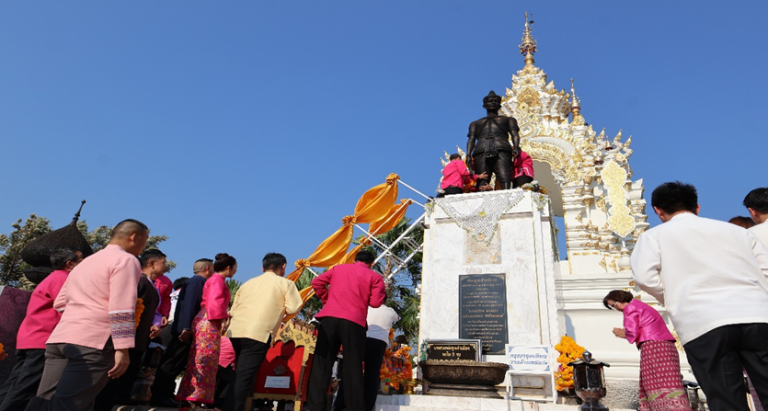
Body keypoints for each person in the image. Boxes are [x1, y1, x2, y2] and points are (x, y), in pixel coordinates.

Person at [631, 182, 768, 411]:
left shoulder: (653, 237)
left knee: (726, 399)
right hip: (758, 316)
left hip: (704, 322)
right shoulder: (738, 232)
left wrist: (679, 297)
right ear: (697, 206)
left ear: (657, 210)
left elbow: (645, 278)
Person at [25, 219, 148, 411]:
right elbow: (121, 306)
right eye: (145, 240)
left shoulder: (85, 262)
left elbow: (60, 302)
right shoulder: (126, 260)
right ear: (134, 237)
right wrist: (123, 349)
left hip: (61, 338)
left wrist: (81, 313)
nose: (144, 246)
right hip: (93, 342)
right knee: (70, 404)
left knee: (43, 401)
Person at [0, 249, 83, 411]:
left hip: (30, 337)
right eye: (81, 259)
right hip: (42, 339)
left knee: (15, 383)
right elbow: (67, 308)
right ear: (70, 264)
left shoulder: (53, 278)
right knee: (26, 387)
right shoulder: (64, 280)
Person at [307, 251, 386, 411]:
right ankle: (354, 407)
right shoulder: (374, 277)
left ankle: (316, 407)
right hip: (354, 322)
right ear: (372, 264)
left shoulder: (338, 269)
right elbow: (376, 303)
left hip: (329, 318)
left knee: (322, 363)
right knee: (353, 365)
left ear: (354, 260)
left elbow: (316, 282)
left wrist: (327, 299)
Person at [224, 252, 302, 411]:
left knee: (241, 373)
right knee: (243, 377)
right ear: (283, 267)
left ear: (263, 267)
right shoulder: (285, 283)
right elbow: (294, 307)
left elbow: (233, 310)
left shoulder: (248, 283)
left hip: (236, 331)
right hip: (258, 333)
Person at [94, 249, 163, 411]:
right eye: (163, 263)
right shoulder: (138, 282)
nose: (165, 267)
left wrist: (155, 324)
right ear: (151, 264)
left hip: (139, 339)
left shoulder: (150, 285)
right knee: (113, 379)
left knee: (126, 379)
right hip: (127, 338)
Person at [603, 290, 689, 410]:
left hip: (653, 347)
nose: (616, 308)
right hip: (667, 346)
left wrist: (623, 334)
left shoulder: (630, 308)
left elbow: (632, 332)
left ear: (621, 299)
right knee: (670, 382)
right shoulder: (641, 305)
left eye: (614, 305)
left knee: (654, 382)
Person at [150, 259, 213, 407]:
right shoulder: (197, 282)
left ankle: (166, 393)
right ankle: (160, 394)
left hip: (184, 328)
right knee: (172, 362)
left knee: (176, 363)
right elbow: (190, 305)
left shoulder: (194, 282)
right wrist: (186, 327)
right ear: (208, 269)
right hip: (183, 330)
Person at [176, 253, 236, 407]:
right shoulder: (217, 280)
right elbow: (214, 302)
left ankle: (194, 395)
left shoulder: (216, 280)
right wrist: (224, 315)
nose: (236, 270)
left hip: (209, 319)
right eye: (235, 267)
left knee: (204, 359)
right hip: (209, 320)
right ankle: (193, 396)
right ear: (229, 268)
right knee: (203, 359)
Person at [332, 304, 398, 411]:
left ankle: (340, 404)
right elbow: (396, 317)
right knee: (372, 376)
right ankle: (367, 407)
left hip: (363, 338)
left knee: (351, 371)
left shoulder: (365, 306)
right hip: (379, 343)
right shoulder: (390, 311)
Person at [466, 90, 521, 190]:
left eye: (496, 101)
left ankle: (508, 199)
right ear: (484, 105)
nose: (493, 102)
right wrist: (468, 154)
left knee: (504, 177)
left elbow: (515, 135)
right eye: (490, 101)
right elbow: (471, 139)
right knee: (482, 179)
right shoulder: (475, 123)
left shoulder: (508, 120)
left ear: (499, 105)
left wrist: (516, 147)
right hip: (481, 150)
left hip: (501, 147)